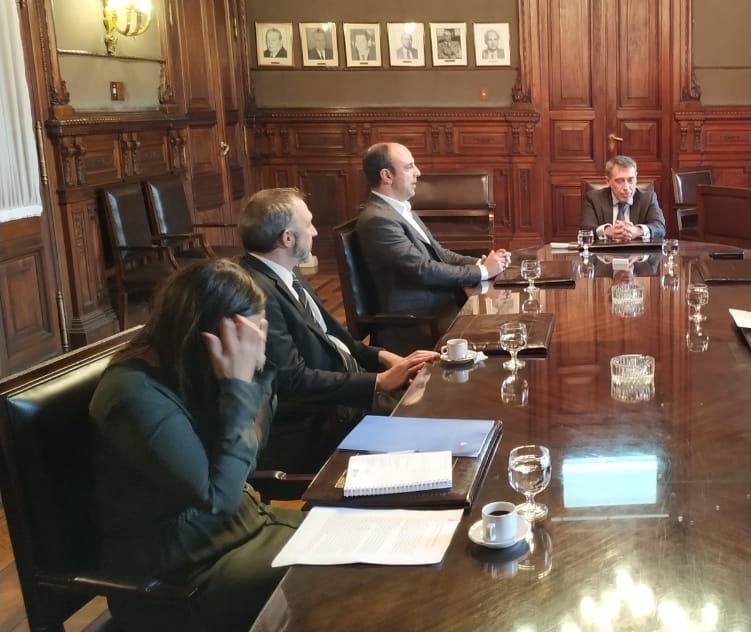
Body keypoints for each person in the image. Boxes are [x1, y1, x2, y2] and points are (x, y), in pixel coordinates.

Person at [89, 259, 303, 631]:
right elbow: (218, 498)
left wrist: (256, 373)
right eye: (247, 336)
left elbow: (252, 451)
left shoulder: (189, 367)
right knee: (343, 569)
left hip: (238, 532)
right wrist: (239, 386)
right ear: (206, 334)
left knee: (370, 539)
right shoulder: (132, 395)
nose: (256, 343)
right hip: (181, 572)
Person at [238, 187, 437, 472]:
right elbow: (293, 381)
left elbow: (333, 338)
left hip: (348, 397)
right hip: (322, 423)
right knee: (433, 435)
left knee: (438, 401)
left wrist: (385, 357)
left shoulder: (287, 272)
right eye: (309, 224)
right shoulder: (256, 293)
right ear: (287, 238)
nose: (314, 232)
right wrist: (379, 382)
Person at [356, 142, 511, 353]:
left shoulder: (399, 210)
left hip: (438, 309)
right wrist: (483, 271)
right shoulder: (378, 220)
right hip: (418, 323)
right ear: (386, 176)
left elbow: (439, 253)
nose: (418, 172)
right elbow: (423, 270)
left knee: (508, 327)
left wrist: (480, 263)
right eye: (409, 167)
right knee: (507, 335)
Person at [580, 154, 667, 242]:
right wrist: (607, 231)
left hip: (638, 250)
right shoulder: (594, 199)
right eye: (619, 181)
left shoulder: (648, 199)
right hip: (605, 250)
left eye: (630, 180)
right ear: (608, 181)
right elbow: (586, 228)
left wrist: (637, 231)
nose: (626, 187)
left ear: (636, 178)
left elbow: (659, 227)